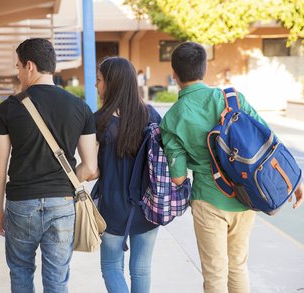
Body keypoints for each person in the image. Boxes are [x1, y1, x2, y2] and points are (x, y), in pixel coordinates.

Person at [159, 42, 304, 293]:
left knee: (215, 272)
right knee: (237, 266)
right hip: (246, 196)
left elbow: (179, 178)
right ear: (204, 69)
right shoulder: (231, 98)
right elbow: (268, 140)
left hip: (208, 200)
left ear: (174, 74)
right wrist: (294, 181)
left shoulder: (172, 118)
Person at [0, 38, 98, 293]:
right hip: (62, 203)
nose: (17, 73)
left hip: (20, 204)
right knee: (57, 279)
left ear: (30, 66)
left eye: (17, 67)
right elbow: (90, 167)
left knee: (20, 272)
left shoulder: (8, 109)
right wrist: (66, 180)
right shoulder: (80, 108)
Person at [93, 57, 161, 293]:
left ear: (112, 84)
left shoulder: (99, 121)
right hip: (149, 206)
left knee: (111, 266)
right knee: (141, 268)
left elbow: (92, 170)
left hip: (111, 208)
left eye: (99, 80)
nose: (96, 85)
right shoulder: (152, 116)